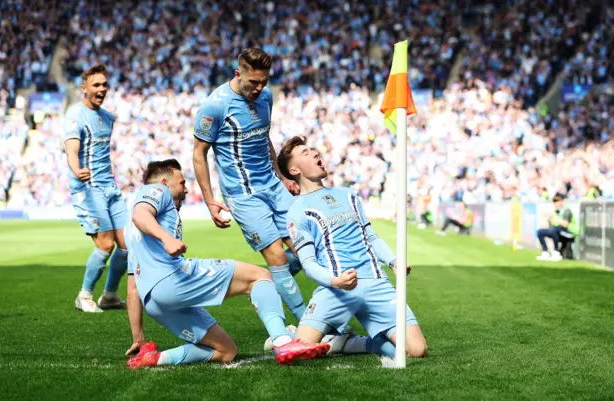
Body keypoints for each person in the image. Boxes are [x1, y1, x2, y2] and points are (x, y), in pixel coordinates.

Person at [192, 48, 344, 345]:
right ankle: (308, 324)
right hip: (243, 194)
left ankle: (274, 289)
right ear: (238, 74)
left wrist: (282, 175)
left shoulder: (265, 97)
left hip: (272, 186)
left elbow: (265, 138)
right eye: (253, 82)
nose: (259, 88)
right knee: (275, 254)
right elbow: (199, 154)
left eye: (264, 81)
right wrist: (210, 199)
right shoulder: (214, 106)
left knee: (305, 246)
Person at [124, 159, 330, 368]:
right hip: (172, 279)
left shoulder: (132, 235)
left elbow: (132, 288)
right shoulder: (156, 190)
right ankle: (283, 341)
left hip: (154, 302)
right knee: (259, 276)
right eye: (182, 183)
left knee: (226, 351)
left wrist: (138, 338)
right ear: (166, 182)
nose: (186, 190)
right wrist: (167, 239)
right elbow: (140, 214)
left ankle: (156, 358)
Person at [276, 136, 428, 359]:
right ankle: (290, 335)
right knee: (298, 349)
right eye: (306, 153)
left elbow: (371, 237)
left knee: (417, 350)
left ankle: (360, 343)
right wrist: (335, 281)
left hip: (376, 283)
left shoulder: (348, 195)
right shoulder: (297, 210)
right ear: (294, 169)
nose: (315, 152)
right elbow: (308, 264)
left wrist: (394, 262)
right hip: (336, 290)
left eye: (312, 149)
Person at [64, 64, 128, 313]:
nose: (102, 89)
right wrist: (76, 168)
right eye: (96, 85)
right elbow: (71, 149)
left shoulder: (107, 117)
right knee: (105, 244)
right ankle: (84, 295)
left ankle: (110, 295)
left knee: (126, 245)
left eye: (104, 84)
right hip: (88, 188)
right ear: (84, 88)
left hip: (109, 187)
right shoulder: (75, 115)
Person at [536, 194, 578, 261]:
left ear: (561, 201)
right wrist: (549, 219)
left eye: (557, 201)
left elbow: (565, 224)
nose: (556, 204)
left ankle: (556, 252)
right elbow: (552, 226)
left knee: (554, 230)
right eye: (554, 202)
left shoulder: (567, 210)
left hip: (569, 233)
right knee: (540, 232)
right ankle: (545, 252)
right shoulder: (555, 212)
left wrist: (553, 217)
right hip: (558, 231)